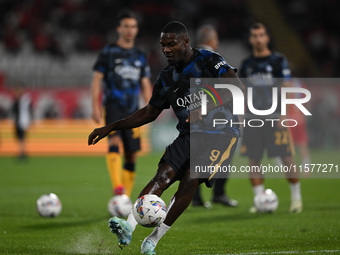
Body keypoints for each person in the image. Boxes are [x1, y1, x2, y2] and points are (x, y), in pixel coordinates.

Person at [88, 21, 243, 254]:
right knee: (163, 176)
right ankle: (128, 226)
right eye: (163, 45)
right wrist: (110, 127)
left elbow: (237, 86)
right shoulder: (166, 77)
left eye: (171, 44)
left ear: (185, 42)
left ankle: (153, 239)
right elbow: (150, 112)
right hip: (189, 134)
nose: (166, 49)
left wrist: (207, 105)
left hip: (221, 133)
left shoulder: (208, 60)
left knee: (191, 177)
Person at [239, 22, 303, 213]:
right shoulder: (247, 65)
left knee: (286, 157)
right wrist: (241, 115)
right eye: (254, 35)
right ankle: (259, 200)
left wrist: (285, 113)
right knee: (253, 159)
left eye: (261, 35)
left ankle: (296, 198)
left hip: (275, 117)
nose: (258, 39)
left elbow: (287, 86)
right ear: (251, 39)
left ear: (266, 37)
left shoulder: (278, 61)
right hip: (252, 118)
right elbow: (242, 91)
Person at [91, 11, 152, 197]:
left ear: (137, 30)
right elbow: (96, 80)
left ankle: (123, 197)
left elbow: (145, 83)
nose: (129, 30)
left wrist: (150, 108)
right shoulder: (108, 52)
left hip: (134, 109)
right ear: (119, 28)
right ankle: (117, 186)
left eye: (133, 26)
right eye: (126, 26)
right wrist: (95, 105)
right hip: (113, 106)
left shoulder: (140, 55)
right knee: (114, 140)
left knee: (132, 154)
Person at [192, 24, 238, 208]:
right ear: (212, 40)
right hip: (218, 117)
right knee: (225, 155)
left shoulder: (188, 59)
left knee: (196, 157)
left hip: (194, 117)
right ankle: (219, 193)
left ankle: (196, 198)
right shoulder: (214, 58)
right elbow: (232, 85)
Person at [12, 85, 32, 159]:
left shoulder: (22, 100)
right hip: (21, 120)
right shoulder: (21, 100)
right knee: (20, 138)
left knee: (21, 137)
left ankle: (22, 152)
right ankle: (22, 152)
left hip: (21, 121)